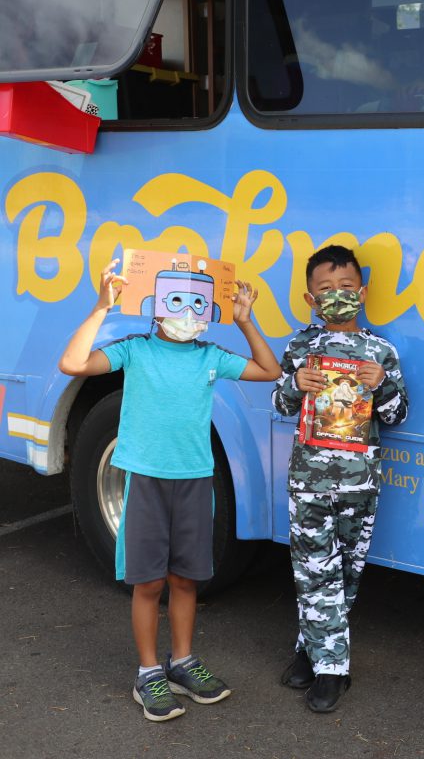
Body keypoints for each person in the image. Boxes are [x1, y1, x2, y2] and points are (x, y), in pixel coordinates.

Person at [58, 259, 282, 722]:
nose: (186, 313)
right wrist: (102, 306)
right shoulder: (135, 350)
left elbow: (269, 369)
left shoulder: (209, 356)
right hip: (145, 480)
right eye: (175, 302)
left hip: (196, 481)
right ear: (155, 308)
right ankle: (148, 674)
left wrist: (245, 321)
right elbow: (72, 362)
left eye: (197, 305)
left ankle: (182, 662)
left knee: (186, 578)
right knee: (149, 582)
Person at [272, 245, 409, 713]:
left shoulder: (380, 351)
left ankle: (309, 651)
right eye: (325, 290)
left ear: (362, 293)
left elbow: (396, 414)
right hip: (308, 479)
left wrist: (381, 384)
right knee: (314, 571)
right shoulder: (299, 347)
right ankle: (334, 671)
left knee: (344, 576)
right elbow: (280, 406)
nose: (337, 297)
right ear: (311, 299)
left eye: (346, 288)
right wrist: (295, 385)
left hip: (359, 483)